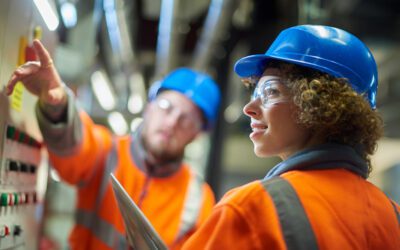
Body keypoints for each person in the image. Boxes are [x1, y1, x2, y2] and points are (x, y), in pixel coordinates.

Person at [182, 25, 400, 249]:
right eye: (255, 92)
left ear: (320, 104)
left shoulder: (253, 208)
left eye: (271, 91)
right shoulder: (393, 217)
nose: (249, 107)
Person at [6, 40, 221, 249]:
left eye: (187, 120)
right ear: (149, 106)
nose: (172, 123)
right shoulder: (108, 151)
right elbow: (75, 146)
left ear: (197, 135)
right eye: (166, 106)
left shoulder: (199, 200)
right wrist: (58, 103)